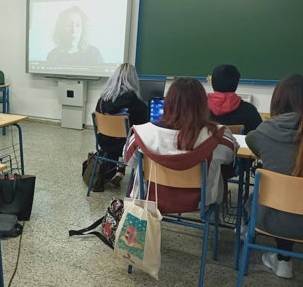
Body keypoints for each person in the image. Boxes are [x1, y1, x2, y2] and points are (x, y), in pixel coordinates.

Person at [123, 77, 237, 211]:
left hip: (151, 199)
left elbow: (129, 160)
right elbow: (230, 160)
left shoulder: (142, 133)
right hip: (201, 203)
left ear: (168, 102)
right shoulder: (220, 136)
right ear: (203, 104)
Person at [245, 74, 303, 279]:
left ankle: (283, 260)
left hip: (271, 221)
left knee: (272, 196)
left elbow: (252, 141)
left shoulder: (262, 134)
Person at [95, 63, 149, 188]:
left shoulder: (102, 100)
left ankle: (119, 169)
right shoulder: (137, 104)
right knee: (136, 137)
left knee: (120, 136)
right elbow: (144, 128)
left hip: (104, 143)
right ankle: (138, 177)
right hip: (126, 148)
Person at [207, 64, 262, 133]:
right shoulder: (249, 111)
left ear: (212, 82)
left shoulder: (199, 110)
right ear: (236, 84)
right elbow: (260, 137)